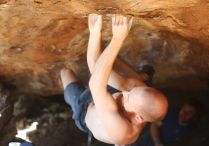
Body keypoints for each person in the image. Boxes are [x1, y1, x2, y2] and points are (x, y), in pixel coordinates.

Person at [60, 14, 168, 145]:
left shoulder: (123, 132)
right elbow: (99, 68)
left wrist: (107, 36)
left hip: (84, 110)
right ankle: (141, 75)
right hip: (103, 95)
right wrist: (107, 44)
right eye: (133, 91)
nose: (125, 92)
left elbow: (95, 84)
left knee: (66, 72)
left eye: (128, 97)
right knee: (139, 79)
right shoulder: (135, 96)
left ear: (138, 118)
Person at [131, 100, 202, 146]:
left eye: (189, 113)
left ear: (195, 117)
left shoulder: (191, 130)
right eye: (184, 109)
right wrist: (157, 143)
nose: (184, 113)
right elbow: (154, 125)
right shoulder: (172, 112)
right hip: (147, 141)